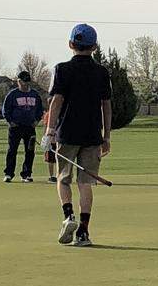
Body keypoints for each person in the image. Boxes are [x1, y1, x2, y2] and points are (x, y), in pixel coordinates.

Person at [42, 24, 112, 247]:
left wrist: (49, 131)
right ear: (94, 46)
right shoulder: (101, 72)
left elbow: (56, 101)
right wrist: (107, 135)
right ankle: (83, 231)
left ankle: (68, 215)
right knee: (86, 183)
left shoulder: (62, 69)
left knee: (63, 178)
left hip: (67, 133)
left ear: (71, 44)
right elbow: (106, 105)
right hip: (92, 134)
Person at [1, 70, 46, 183]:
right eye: (23, 82)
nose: (26, 84)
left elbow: (40, 110)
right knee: (12, 150)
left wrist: (37, 120)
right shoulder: (12, 95)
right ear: (19, 81)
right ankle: (9, 173)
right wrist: (10, 122)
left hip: (30, 127)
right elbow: (5, 110)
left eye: (27, 82)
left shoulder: (35, 95)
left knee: (30, 151)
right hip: (15, 127)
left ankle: (26, 174)